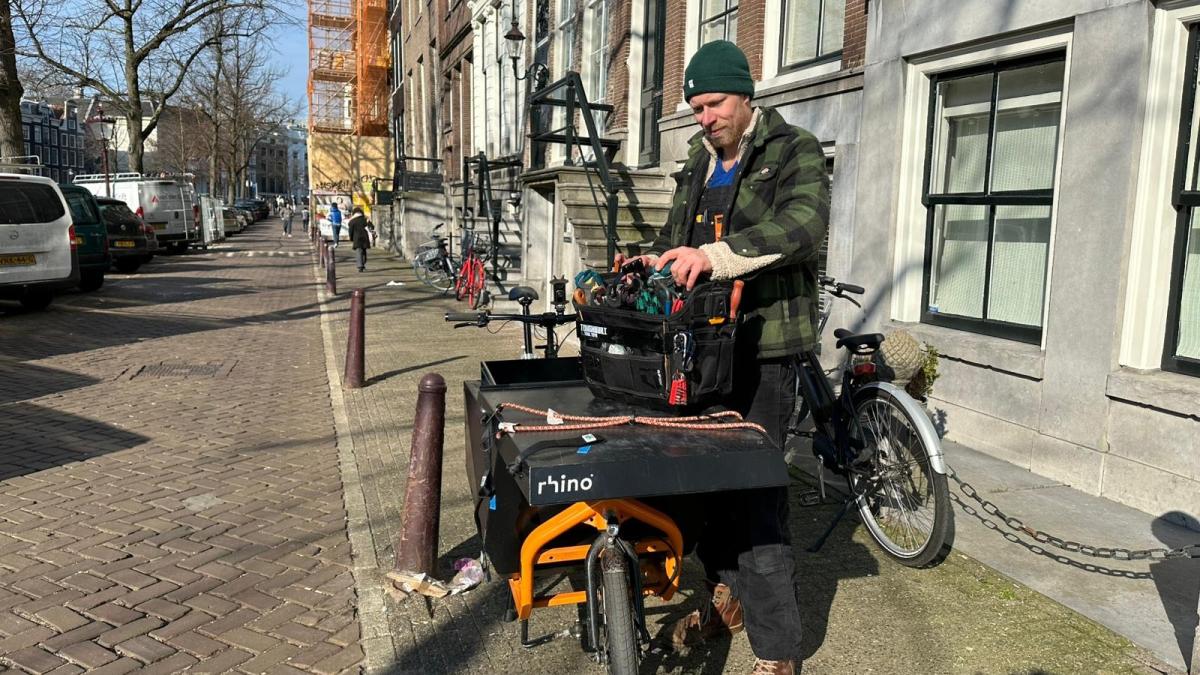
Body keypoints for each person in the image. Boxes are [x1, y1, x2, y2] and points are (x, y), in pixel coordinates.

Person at [617, 40, 828, 675]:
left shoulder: (793, 149)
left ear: (745, 95)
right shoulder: (696, 163)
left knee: (757, 496)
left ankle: (778, 651)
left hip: (766, 352)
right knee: (702, 487)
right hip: (702, 353)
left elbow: (803, 227)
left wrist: (713, 257)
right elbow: (676, 238)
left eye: (714, 104)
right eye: (696, 108)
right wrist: (654, 257)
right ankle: (723, 600)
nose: (705, 118)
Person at [345, 206, 374, 272]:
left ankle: (360, 266)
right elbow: (372, 227)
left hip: (357, 238)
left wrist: (351, 238)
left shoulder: (352, 221)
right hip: (365, 238)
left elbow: (350, 231)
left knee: (359, 251)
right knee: (364, 251)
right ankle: (363, 263)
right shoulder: (365, 219)